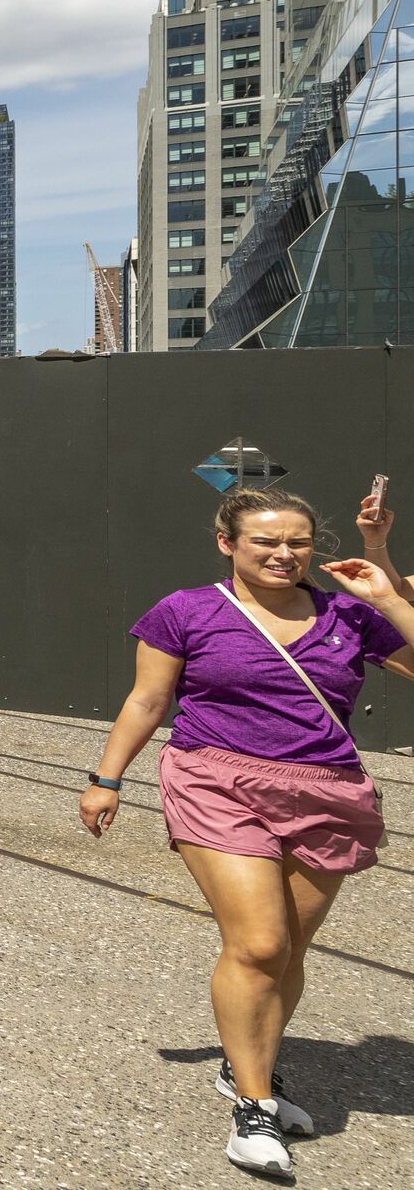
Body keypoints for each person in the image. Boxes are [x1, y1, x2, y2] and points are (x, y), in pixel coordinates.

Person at [81, 487, 413, 1182]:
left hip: (326, 790)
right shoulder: (188, 611)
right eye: (266, 541)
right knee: (258, 941)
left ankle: (245, 1066)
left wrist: (386, 587)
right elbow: (148, 699)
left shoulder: (348, 613)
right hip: (215, 778)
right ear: (228, 544)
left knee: (287, 952)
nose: (284, 553)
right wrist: (107, 778)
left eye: (298, 541)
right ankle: (255, 1109)